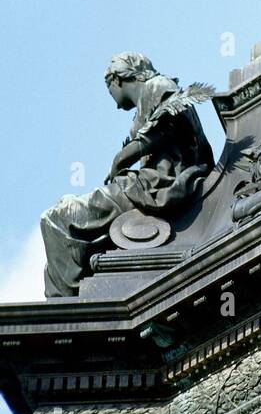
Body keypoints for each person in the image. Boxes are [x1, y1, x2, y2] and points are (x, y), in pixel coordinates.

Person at [41, 54, 214, 297]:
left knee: (56, 218)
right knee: (61, 219)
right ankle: (67, 298)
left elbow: (166, 127)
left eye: (108, 88)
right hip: (147, 185)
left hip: (158, 187)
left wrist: (121, 159)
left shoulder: (159, 86)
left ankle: (66, 304)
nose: (112, 100)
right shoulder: (150, 96)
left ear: (116, 80)